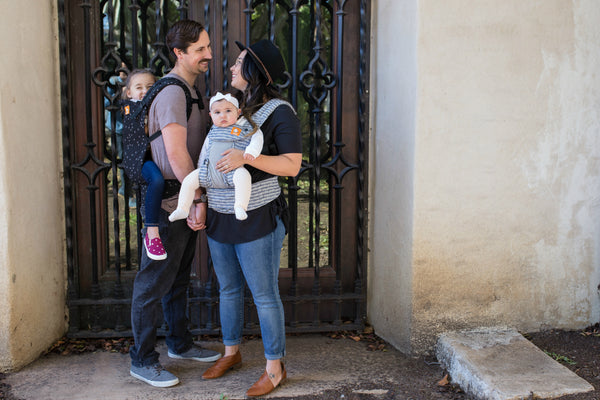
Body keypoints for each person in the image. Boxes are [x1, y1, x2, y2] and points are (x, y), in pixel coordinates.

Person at [200, 39, 302, 397]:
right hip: (220, 215)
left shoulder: (279, 111)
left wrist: (247, 159)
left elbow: (292, 165)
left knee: (263, 294)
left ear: (255, 70)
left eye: (239, 62)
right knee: (227, 288)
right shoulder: (230, 108)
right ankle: (231, 353)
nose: (231, 68)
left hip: (257, 215)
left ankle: (275, 367)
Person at [128, 19, 221, 388]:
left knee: (178, 279)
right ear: (179, 53)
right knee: (152, 283)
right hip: (170, 203)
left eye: (208, 46)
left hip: (179, 200)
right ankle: (142, 359)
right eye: (200, 49)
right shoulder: (172, 93)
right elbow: (176, 154)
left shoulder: (190, 90)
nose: (209, 54)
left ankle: (180, 344)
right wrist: (197, 198)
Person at [168, 90, 263, 223]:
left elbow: (257, 136)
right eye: (217, 112)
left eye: (228, 111)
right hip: (209, 171)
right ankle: (182, 208)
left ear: (238, 112)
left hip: (232, 171)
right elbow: (204, 151)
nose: (222, 115)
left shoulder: (243, 127)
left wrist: (252, 151)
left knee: (243, 177)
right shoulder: (213, 131)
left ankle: (240, 206)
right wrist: (200, 168)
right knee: (188, 181)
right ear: (211, 115)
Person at [122, 69, 170, 260]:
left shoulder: (153, 105)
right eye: (139, 87)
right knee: (156, 181)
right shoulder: (130, 108)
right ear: (129, 92)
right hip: (139, 160)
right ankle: (152, 233)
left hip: (151, 157)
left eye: (150, 87)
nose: (144, 91)